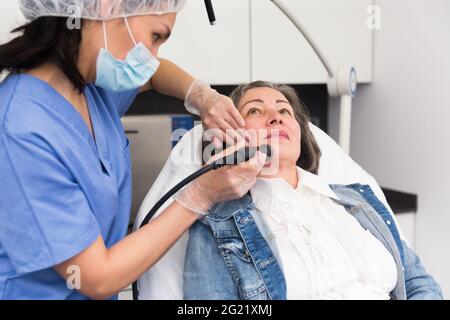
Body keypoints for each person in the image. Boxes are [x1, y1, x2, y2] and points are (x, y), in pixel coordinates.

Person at [0, 0, 265, 300]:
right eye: (155, 37)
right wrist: (200, 196)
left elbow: (153, 75)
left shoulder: (89, 88)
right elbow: (96, 278)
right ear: (107, 7)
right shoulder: (21, 128)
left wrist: (202, 97)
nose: (152, 57)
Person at [183, 81, 443, 300]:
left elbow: (418, 283)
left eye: (284, 111)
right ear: (230, 135)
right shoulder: (217, 225)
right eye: (254, 111)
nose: (276, 117)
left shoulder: (358, 198)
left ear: (299, 132)